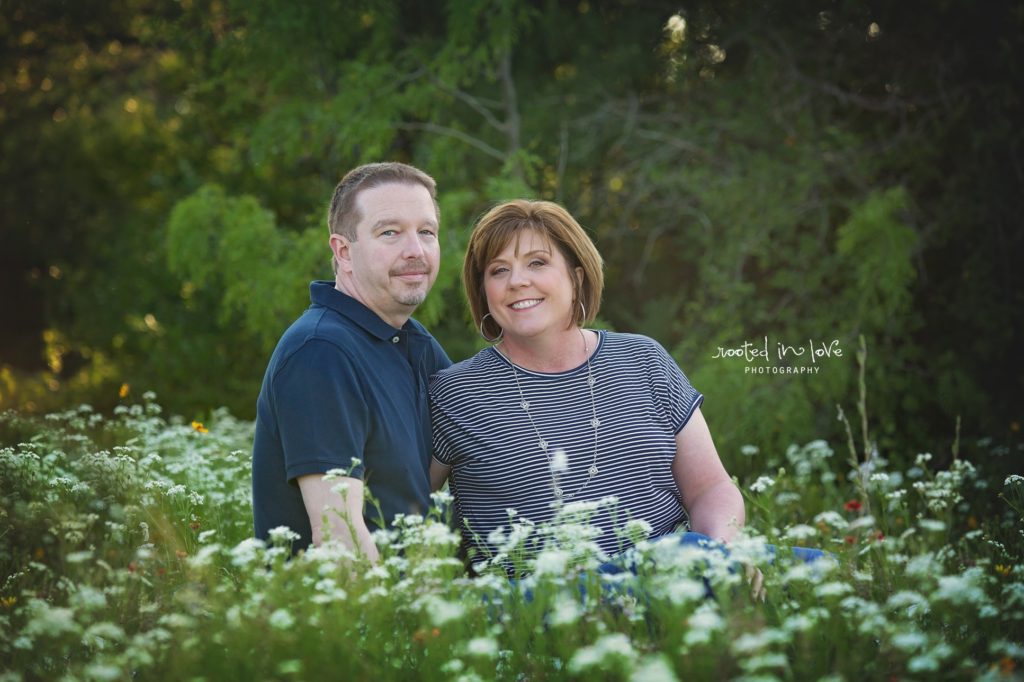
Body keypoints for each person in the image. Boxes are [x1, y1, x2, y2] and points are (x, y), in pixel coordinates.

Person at [428, 199, 746, 573]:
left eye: (537, 263)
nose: (517, 281)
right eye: (498, 271)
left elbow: (710, 488)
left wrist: (723, 554)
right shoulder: (455, 393)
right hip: (544, 607)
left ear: (576, 277)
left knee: (818, 570)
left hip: (674, 586)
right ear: (484, 291)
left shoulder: (644, 360)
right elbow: (403, 512)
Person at [252, 162, 451, 559]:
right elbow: (339, 538)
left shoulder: (415, 344)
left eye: (426, 232)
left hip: (425, 592)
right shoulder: (321, 352)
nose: (415, 250)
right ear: (343, 251)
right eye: (390, 232)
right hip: (349, 611)